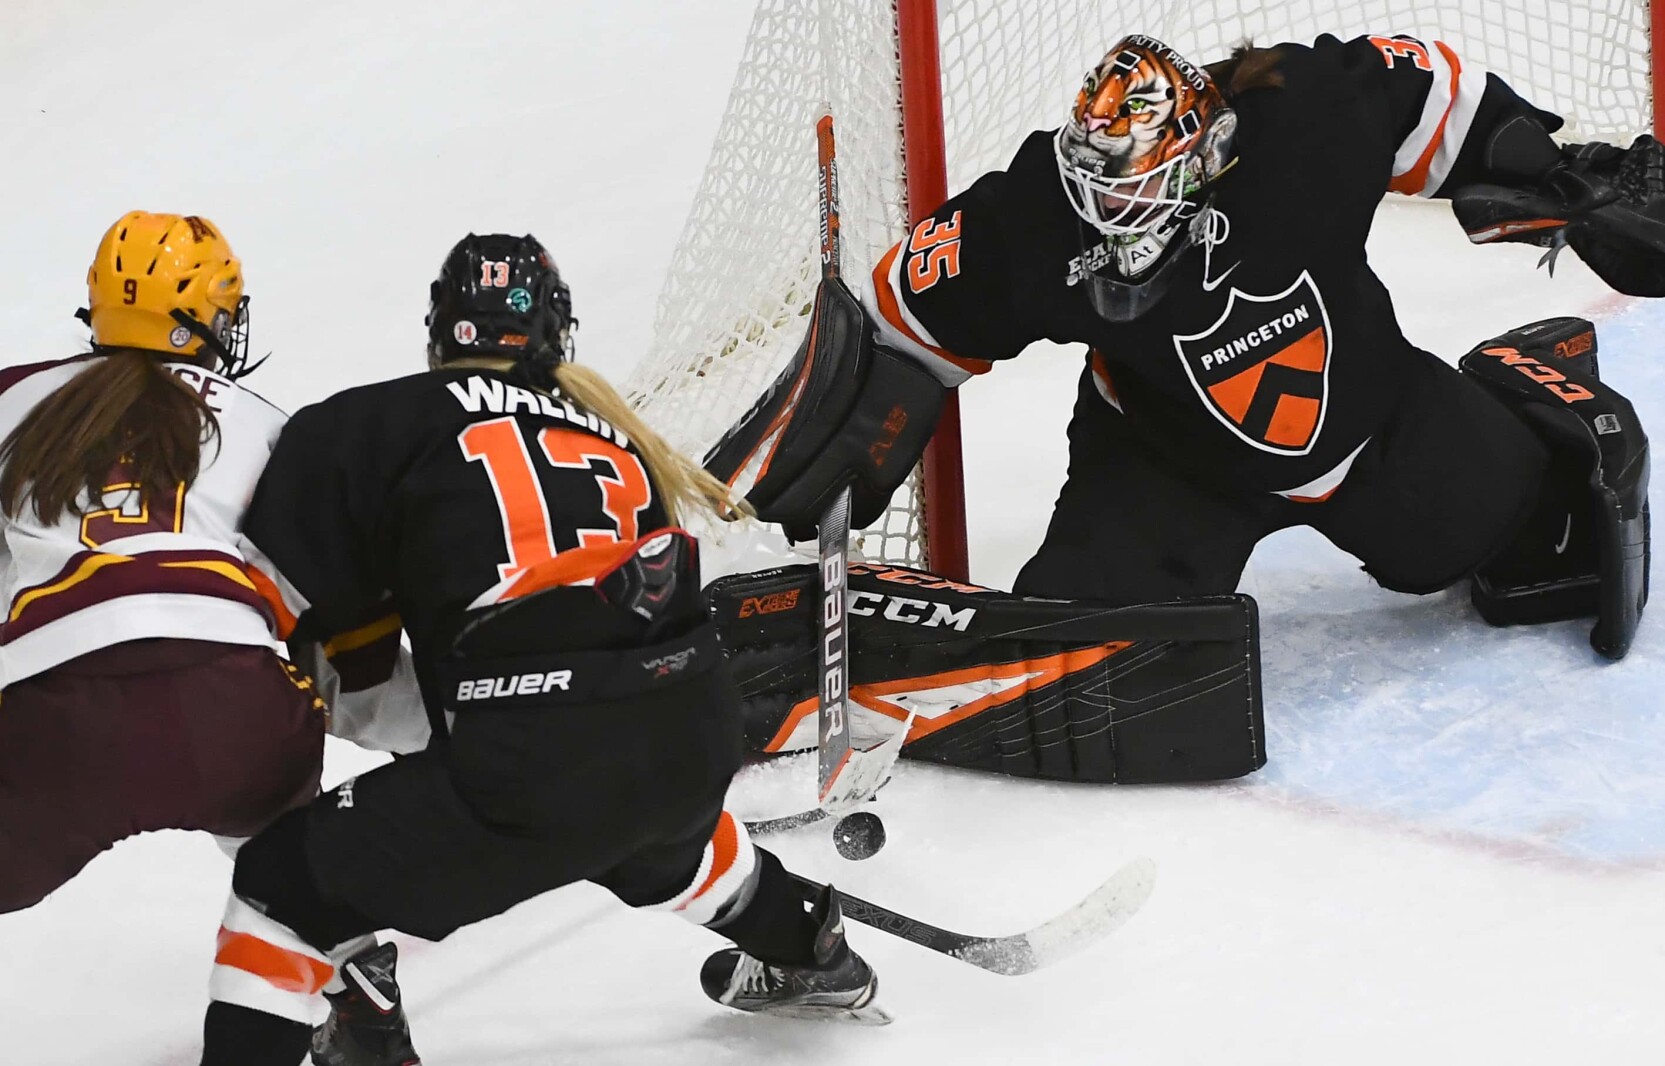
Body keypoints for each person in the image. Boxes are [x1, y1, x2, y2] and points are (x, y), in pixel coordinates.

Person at [723, 32, 1654, 661]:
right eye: (1097, 182)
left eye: (1136, 187)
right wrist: (866, 403)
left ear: (1207, 151)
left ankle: (1524, 385)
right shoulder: (1035, 214)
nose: (1109, 210)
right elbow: (904, 310)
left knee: (1493, 551)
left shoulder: (1296, 126)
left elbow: (1421, 86)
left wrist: (1554, 171)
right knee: (1095, 644)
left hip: (1372, 416)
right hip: (1169, 461)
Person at [197, 234, 884, 1066]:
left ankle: (370, 1039)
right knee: (636, 820)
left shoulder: (366, 422)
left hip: (538, 749)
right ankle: (810, 942)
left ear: (439, 330)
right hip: (690, 727)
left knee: (280, 888)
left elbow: (292, 622)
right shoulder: (615, 435)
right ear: (558, 335)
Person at [0, 211, 322, 914]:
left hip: (58, 712)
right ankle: (355, 985)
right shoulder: (266, 425)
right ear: (203, 315)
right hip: (235, 704)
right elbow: (304, 601)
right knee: (298, 877)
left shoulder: (11, 396)